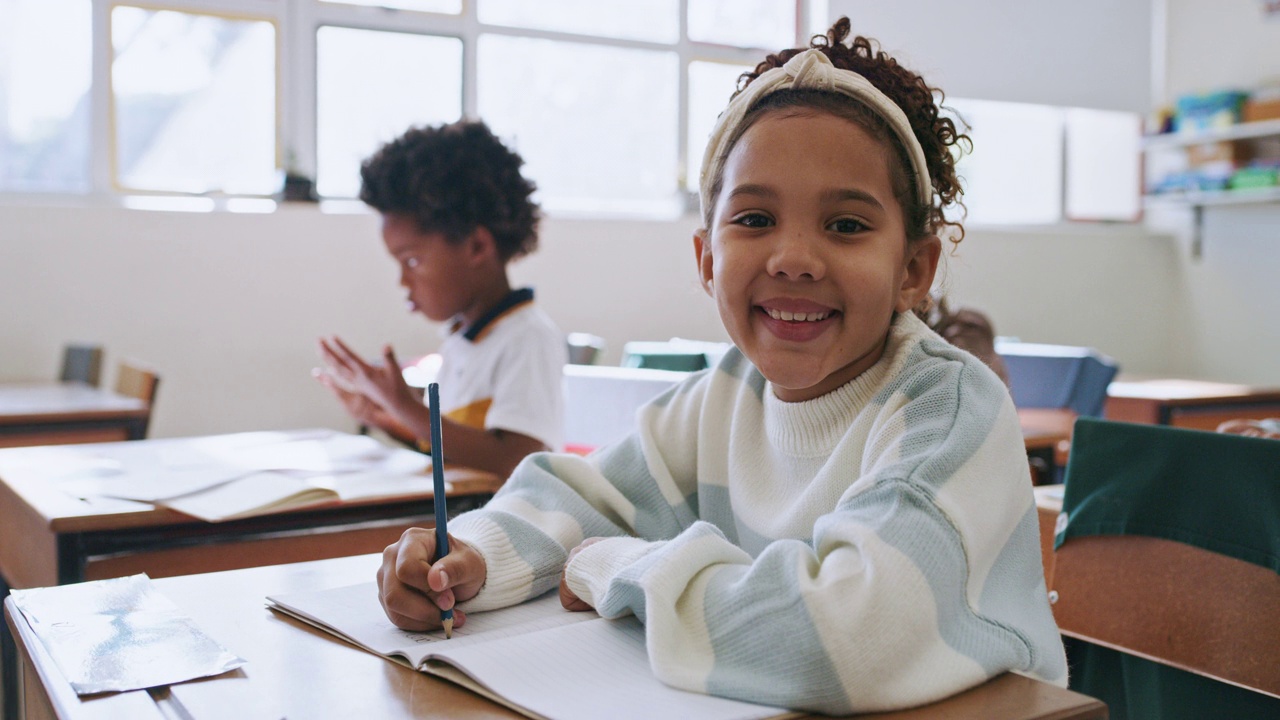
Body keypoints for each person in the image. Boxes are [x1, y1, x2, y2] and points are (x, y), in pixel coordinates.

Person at [376, 18, 1067, 715]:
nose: (793, 256)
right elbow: (585, 498)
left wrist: (616, 566)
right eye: (756, 219)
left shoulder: (946, 410)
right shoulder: (724, 398)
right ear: (707, 260)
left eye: (847, 225)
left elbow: (842, 638)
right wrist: (470, 556)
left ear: (914, 268)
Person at [315, 121, 566, 478]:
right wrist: (382, 416)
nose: (403, 281)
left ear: (477, 246)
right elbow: (453, 448)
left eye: (412, 261)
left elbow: (516, 458)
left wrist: (401, 403)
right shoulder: (461, 340)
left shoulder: (527, 339)